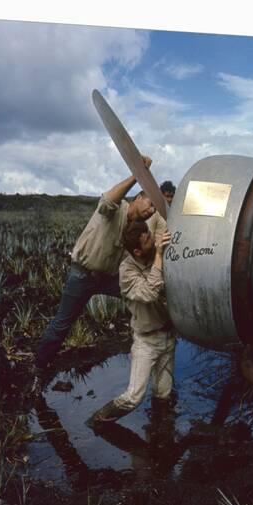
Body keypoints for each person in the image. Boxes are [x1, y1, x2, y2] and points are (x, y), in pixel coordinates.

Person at [36, 156, 155, 372]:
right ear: (138, 197)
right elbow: (108, 200)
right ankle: (38, 369)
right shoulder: (115, 209)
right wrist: (138, 174)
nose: (152, 211)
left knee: (144, 296)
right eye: (150, 204)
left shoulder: (138, 226)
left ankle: (151, 346)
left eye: (155, 208)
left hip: (108, 279)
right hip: (82, 275)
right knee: (62, 324)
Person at [87, 221, 175, 425]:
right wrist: (160, 256)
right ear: (136, 250)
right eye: (147, 240)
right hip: (146, 342)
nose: (152, 240)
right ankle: (97, 421)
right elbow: (150, 292)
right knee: (134, 397)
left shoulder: (154, 251)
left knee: (164, 394)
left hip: (168, 336)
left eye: (150, 234)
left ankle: (160, 437)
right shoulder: (126, 271)